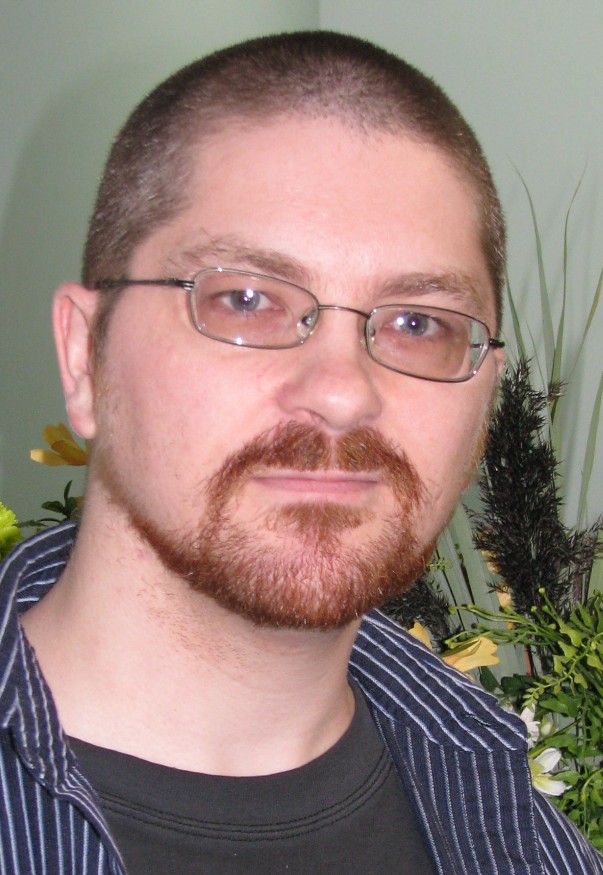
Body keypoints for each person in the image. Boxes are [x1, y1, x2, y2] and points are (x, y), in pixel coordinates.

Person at [0, 30, 601, 875]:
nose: (343, 391)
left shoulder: (527, 842)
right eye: (247, 299)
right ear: (83, 357)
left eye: (418, 322)